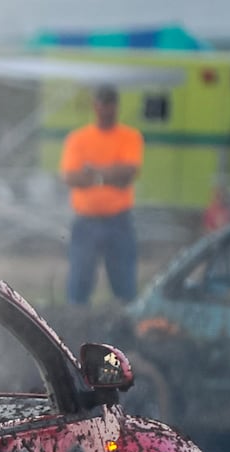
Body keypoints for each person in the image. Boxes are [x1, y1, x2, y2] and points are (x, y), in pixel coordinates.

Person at [60, 84, 144, 305]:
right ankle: (75, 326)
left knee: (124, 285)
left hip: (118, 220)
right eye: (102, 103)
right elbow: (71, 177)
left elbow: (128, 173)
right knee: (79, 284)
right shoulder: (78, 138)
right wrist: (110, 175)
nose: (106, 109)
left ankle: (124, 329)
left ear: (116, 107)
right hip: (86, 221)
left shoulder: (129, 136)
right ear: (95, 106)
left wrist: (93, 173)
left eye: (110, 104)